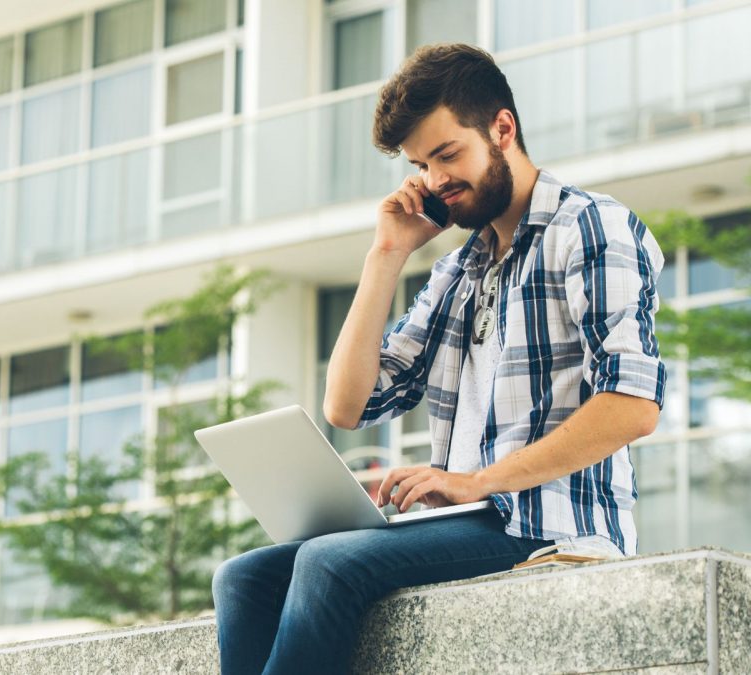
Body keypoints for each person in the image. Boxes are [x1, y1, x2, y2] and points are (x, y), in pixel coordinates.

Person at [210, 43, 666, 675]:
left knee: (326, 562)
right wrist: (386, 254)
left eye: (448, 154)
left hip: (554, 523)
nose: (434, 180)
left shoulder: (589, 228)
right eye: (421, 164)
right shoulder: (459, 268)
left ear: (502, 129)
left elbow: (633, 406)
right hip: (474, 520)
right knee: (244, 577)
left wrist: (476, 482)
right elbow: (348, 406)